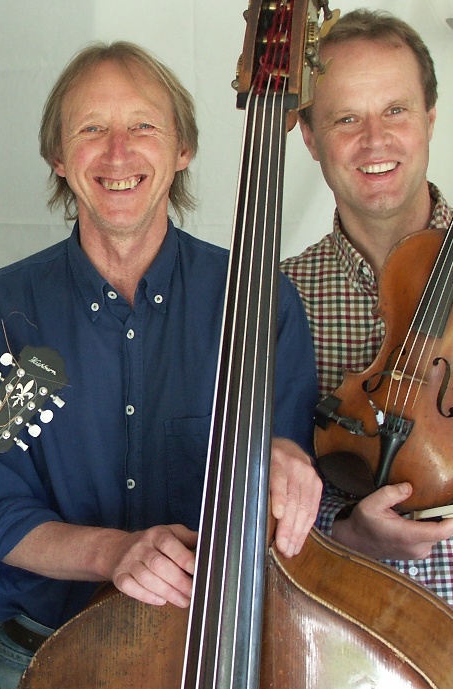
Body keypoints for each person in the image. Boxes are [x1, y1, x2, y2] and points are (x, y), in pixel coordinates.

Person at [0, 42, 323, 689]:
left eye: (143, 126)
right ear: (58, 156)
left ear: (183, 149)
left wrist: (287, 467)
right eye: (90, 129)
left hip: (209, 657)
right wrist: (116, 553)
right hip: (45, 658)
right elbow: (3, 517)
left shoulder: (262, 301)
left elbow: (286, 489)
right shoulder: (0, 309)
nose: (117, 153)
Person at [281, 9, 453, 604]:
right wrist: (345, 533)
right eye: (346, 118)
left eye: (396, 110)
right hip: (340, 627)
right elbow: (248, 502)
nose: (375, 140)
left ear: (430, 118)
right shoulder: (277, 298)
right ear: (310, 139)